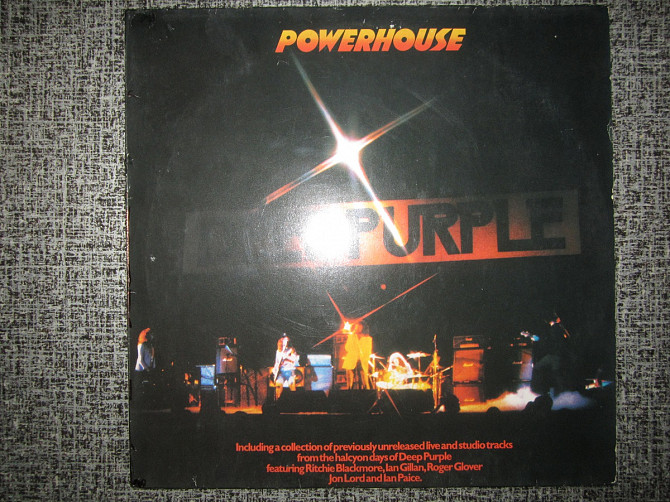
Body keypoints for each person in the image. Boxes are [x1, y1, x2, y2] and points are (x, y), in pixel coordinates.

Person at [341, 322, 373, 390]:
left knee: (364, 381)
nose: (356, 328)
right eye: (356, 326)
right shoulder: (352, 336)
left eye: (359, 327)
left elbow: (368, 351)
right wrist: (351, 337)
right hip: (351, 360)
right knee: (350, 383)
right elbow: (347, 348)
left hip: (362, 361)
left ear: (363, 328)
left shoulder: (368, 339)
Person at [272, 334, 299, 399]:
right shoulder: (278, 352)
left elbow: (295, 359)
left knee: (292, 385)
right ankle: (277, 399)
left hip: (290, 371)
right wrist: (275, 371)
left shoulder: (291, 350)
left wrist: (287, 358)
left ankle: (293, 400)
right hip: (281, 372)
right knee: (278, 385)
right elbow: (277, 362)